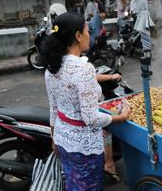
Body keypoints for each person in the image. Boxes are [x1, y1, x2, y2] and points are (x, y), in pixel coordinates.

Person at [41, 13, 131, 190]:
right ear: (77, 36)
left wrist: (53, 138)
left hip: (62, 140)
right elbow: (91, 118)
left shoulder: (53, 66)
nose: (90, 35)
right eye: (87, 31)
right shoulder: (83, 68)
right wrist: (120, 117)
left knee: (73, 184)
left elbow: (54, 107)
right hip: (84, 149)